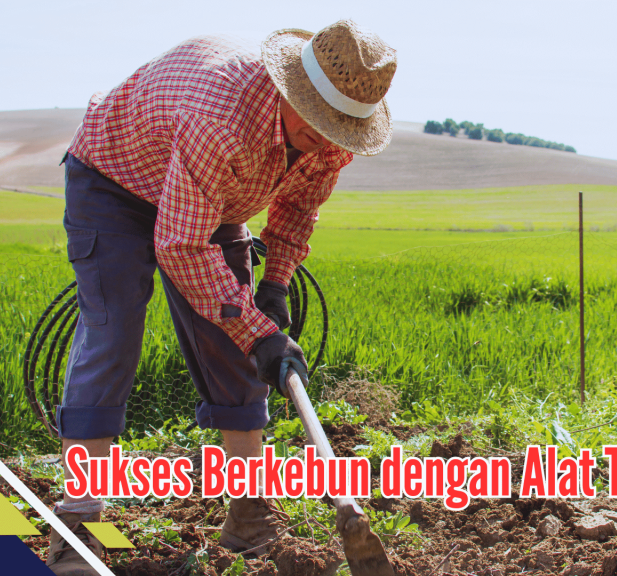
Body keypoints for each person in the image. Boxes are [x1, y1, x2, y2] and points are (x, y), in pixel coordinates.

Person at [45, 20, 397, 575]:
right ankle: (78, 524)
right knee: (113, 334)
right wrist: (258, 333)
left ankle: (250, 515)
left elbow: (296, 211)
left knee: (238, 346)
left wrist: (274, 287)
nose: (330, 143)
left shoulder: (331, 139)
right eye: (320, 126)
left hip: (213, 197)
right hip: (114, 179)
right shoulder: (220, 123)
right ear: (289, 94)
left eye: (341, 131)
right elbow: (181, 248)